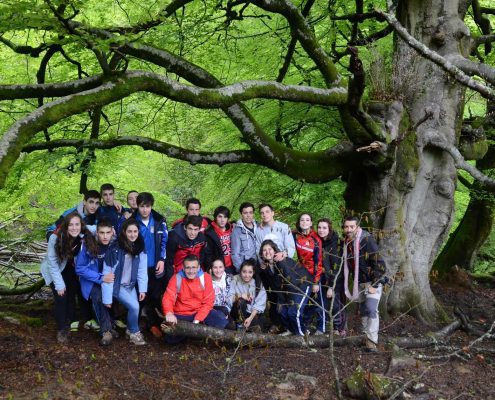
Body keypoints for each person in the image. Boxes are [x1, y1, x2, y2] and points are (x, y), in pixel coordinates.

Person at [40, 212, 98, 343]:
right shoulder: (55, 238)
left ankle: (69, 321)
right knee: (61, 296)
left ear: (81, 225)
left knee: (71, 294)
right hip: (54, 269)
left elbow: (97, 228)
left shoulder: (83, 232)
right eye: (71, 225)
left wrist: (112, 229)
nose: (74, 228)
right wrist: (59, 285)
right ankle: (61, 329)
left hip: (69, 267)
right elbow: (52, 263)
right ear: (66, 226)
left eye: (77, 224)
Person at [341, 216, 387, 352]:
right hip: (358, 282)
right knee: (363, 310)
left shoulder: (366, 240)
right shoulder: (346, 243)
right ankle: (364, 337)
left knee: (372, 309)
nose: (348, 229)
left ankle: (372, 342)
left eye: (351, 227)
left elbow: (380, 264)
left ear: (357, 227)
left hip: (372, 282)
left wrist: (375, 284)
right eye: (346, 227)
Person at [162, 255, 228, 343]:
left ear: (199, 267)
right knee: (170, 340)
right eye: (188, 268)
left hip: (200, 311)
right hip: (182, 313)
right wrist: (169, 313)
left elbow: (208, 302)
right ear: (183, 268)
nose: (191, 271)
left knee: (221, 320)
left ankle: (198, 333)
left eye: (194, 267)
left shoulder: (205, 277)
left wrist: (197, 319)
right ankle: (193, 335)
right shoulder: (176, 278)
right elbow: (168, 297)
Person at [102, 219, 148, 346]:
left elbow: (142, 270)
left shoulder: (140, 247)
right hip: (118, 286)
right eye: (129, 231)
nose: (133, 234)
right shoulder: (115, 248)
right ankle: (134, 332)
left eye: (135, 231)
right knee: (135, 307)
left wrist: (142, 289)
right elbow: (107, 272)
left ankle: (129, 330)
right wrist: (107, 298)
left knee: (134, 308)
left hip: (131, 285)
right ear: (124, 232)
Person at [131, 192, 168, 337]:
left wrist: (162, 260)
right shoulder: (132, 221)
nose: (145, 209)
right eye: (142, 206)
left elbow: (165, 241)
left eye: (147, 206)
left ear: (151, 206)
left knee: (155, 296)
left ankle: (155, 324)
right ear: (137, 206)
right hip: (137, 266)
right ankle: (135, 325)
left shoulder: (159, 220)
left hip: (155, 265)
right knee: (139, 296)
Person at [259, 239, 313, 336]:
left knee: (293, 312)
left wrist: (288, 302)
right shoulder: (267, 267)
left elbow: (290, 283)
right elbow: (275, 286)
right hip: (286, 291)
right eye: (264, 250)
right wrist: (281, 301)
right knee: (281, 311)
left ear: (275, 250)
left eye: (270, 249)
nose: (267, 252)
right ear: (262, 254)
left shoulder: (281, 261)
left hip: (301, 286)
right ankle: (291, 329)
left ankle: (302, 334)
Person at [75, 219, 117, 345]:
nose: (105, 236)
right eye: (102, 233)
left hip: (110, 280)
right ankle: (106, 332)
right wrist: (100, 278)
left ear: (112, 233)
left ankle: (110, 324)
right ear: (97, 233)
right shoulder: (88, 244)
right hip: (92, 281)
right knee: (99, 297)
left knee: (115, 296)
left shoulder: (115, 245)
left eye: (108, 232)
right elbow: (80, 268)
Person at [293, 213, 326, 335]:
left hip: (314, 275)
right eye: (302, 220)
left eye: (307, 220)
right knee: (303, 302)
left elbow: (319, 261)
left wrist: (316, 281)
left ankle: (321, 328)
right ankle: (304, 326)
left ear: (311, 223)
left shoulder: (316, 239)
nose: (304, 222)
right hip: (300, 275)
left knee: (319, 302)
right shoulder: (294, 235)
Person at [317, 218, 345, 336]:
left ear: (329, 229)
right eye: (319, 227)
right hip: (323, 277)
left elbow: (337, 267)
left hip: (335, 279)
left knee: (336, 303)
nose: (321, 230)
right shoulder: (319, 242)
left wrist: (331, 286)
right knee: (326, 303)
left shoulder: (336, 243)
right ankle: (330, 327)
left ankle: (339, 329)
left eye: (324, 228)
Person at [229, 259, 266, 332]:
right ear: (240, 271)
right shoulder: (235, 280)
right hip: (237, 312)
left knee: (257, 330)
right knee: (241, 302)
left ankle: (248, 326)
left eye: (250, 272)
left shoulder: (257, 284)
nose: (247, 275)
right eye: (244, 272)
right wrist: (240, 295)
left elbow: (259, 303)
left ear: (253, 272)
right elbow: (229, 298)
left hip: (251, 313)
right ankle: (240, 325)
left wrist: (250, 318)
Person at [165, 215, 207, 279]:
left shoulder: (202, 238)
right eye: (190, 229)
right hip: (178, 271)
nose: (192, 233)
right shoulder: (174, 237)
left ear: (199, 229)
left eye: (196, 229)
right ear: (185, 227)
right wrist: (171, 279)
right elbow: (169, 261)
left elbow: (202, 257)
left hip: (195, 270)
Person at [204, 206, 234, 274]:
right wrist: (209, 268)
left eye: (225, 217)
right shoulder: (210, 233)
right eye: (220, 216)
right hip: (219, 269)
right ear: (215, 217)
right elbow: (208, 254)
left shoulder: (233, 229)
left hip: (234, 266)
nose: (222, 220)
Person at [231, 202, 258, 273]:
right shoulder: (236, 231)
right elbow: (235, 254)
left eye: (250, 212)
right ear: (241, 214)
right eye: (245, 213)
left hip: (260, 265)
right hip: (246, 268)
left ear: (253, 214)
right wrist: (241, 270)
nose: (248, 215)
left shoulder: (259, 227)